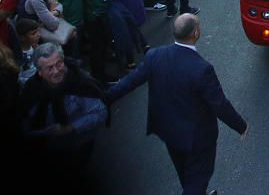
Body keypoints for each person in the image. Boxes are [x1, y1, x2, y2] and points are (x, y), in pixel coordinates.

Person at [106, 14, 248, 195]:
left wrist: (105, 97)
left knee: (184, 172)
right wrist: (241, 126)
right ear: (196, 33)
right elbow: (219, 105)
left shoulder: (155, 56)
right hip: (197, 139)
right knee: (197, 180)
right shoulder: (202, 69)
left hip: (168, 132)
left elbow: (130, 82)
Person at [18, 42, 108, 187]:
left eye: (59, 63)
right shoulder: (31, 90)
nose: (56, 71)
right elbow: (25, 121)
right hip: (47, 149)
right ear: (39, 72)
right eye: (49, 68)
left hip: (80, 143)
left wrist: (70, 128)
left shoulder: (80, 83)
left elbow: (100, 112)